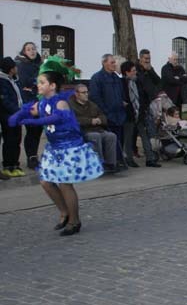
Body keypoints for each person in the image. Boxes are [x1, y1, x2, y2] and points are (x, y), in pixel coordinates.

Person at [8, 56, 103, 236]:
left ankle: (75, 221)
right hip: (54, 148)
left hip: (68, 148)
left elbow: (56, 118)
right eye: (38, 82)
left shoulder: (61, 102)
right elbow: (32, 109)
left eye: (42, 82)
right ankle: (64, 211)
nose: (39, 85)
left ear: (52, 86)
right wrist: (19, 115)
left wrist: (32, 121)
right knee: (45, 182)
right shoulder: (42, 102)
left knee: (65, 184)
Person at [68, 84, 118, 173]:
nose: (86, 94)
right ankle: (99, 164)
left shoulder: (92, 104)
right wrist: (90, 121)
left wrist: (100, 120)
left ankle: (111, 163)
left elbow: (103, 116)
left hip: (97, 129)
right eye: (83, 92)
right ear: (77, 94)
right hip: (83, 131)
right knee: (95, 136)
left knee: (111, 136)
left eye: (87, 92)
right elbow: (74, 120)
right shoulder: (71, 105)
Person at [90, 54, 127, 168]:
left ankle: (118, 160)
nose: (114, 64)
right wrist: (105, 111)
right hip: (107, 115)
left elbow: (120, 94)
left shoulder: (116, 78)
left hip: (119, 114)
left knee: (119, 139)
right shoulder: (97, 78)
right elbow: (96, 97)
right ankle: (110, 162)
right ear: (104, 63)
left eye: (114, 62)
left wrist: (122, 103)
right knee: (110, 139)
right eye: (112, 62)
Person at [121, 60, 160, 168]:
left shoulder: (138, 81)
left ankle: (150, 158)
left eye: (135, 70)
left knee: (145, 135)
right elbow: (125, 98)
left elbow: (143, 95)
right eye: (133, 71)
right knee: (128, 137)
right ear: (126, 72)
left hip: (140, 112)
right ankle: (129, 158)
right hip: (130, 113)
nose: (135, 73)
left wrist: (144, 107)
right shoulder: (123, 83)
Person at [15, 42, 42, 171]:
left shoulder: (40, 64)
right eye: (29, 49)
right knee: (31, 129)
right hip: (28, 102)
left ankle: (35, 154)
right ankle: (30, 156)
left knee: (38, 130)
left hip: (40, 99)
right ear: (24, 51)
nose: (32, 51)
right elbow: (24, 83)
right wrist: (35, 83)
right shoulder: (21, 65)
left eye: (33, 49)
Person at [0, 57, 23, 178]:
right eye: (15, 66)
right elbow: (5, 101)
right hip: (8, 116)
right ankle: (8, 165)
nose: (17, 68)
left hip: (17, 115)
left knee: (17, 140)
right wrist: (17, 111)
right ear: (11, 69)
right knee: (9, 140)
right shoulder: (2, 81)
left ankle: (15, 164)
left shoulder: (14, 80)